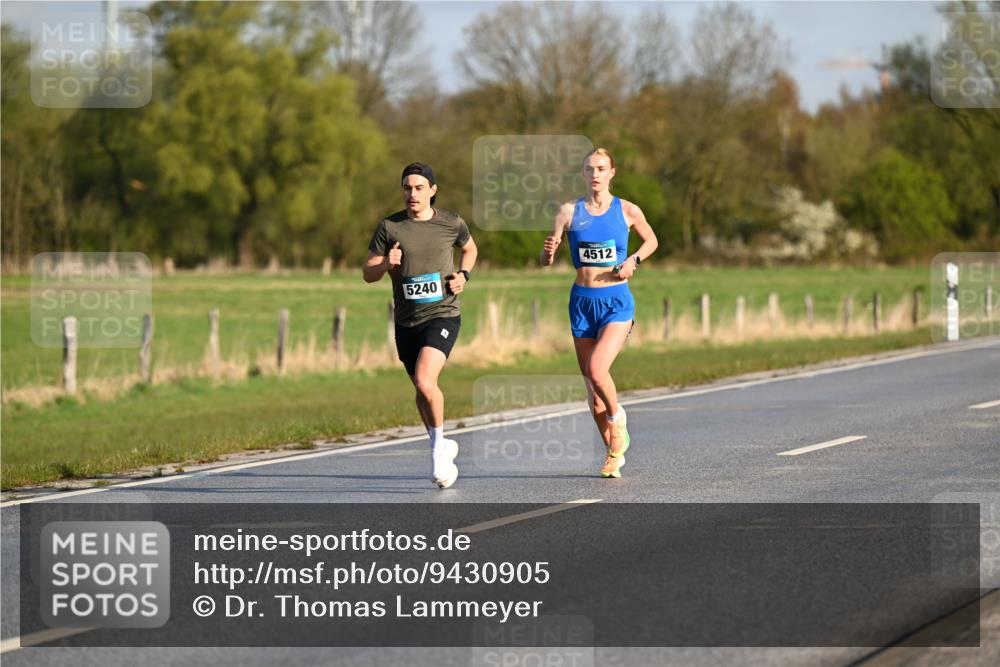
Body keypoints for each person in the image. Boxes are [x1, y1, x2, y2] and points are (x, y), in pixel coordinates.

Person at [540, 148, 658, 478]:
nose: (595, 174)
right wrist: (547, 252)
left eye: (601, 168)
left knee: (596, 368)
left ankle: (617, 418)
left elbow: (652, 241)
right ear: (583, 174)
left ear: (611, 173)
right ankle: (613, 451)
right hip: (581, 302)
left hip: (616, 302)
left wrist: (633, 261)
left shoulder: (628, 210)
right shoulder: (568, 211)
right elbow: (546, 256)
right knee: (593, 399)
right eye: (590, 169)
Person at [364, 163, 478, 488]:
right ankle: (440, 443)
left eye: (418, 188)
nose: (411, 194)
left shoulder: (450, 223)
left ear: (432, 190)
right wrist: (386, 264)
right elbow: (367, 272)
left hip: (442, 315)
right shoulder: (390, 227)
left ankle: (439, 457)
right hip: (406, 322)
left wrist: (463, 276)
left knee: (427, 381)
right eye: (406, 188)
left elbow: (469, 249)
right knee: (420, 388)